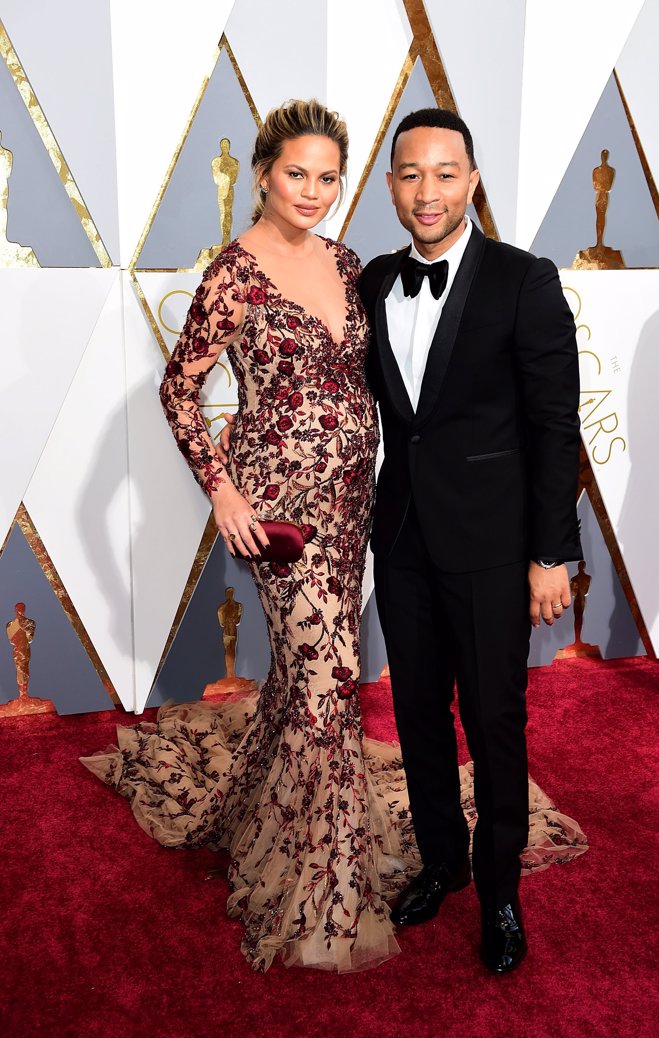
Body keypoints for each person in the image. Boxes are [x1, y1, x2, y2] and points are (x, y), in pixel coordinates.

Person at [82, 99, 416, 974]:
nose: (312, 190)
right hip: (281, 510)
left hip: (351, 501)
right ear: (263, 174)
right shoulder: (235, 272)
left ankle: (261, 809)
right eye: (296, 173)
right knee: (329, 675)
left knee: (319, 674)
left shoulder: (348, 265)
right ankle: (322, 883)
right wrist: (223, 489)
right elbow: (177, 390)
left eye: (328, 177)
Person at [357, 108, 583, 973]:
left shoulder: (523, 280)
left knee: (494, 722)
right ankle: (442, 861)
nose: (427, 192)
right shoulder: (375, 280)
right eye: (410, 174)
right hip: (404, 537)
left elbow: (555, 425)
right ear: (390, 186)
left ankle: (500, 894)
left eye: (444, 174)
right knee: (416, 713)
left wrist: (551, 553)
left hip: (494, 545)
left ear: (473, 181)